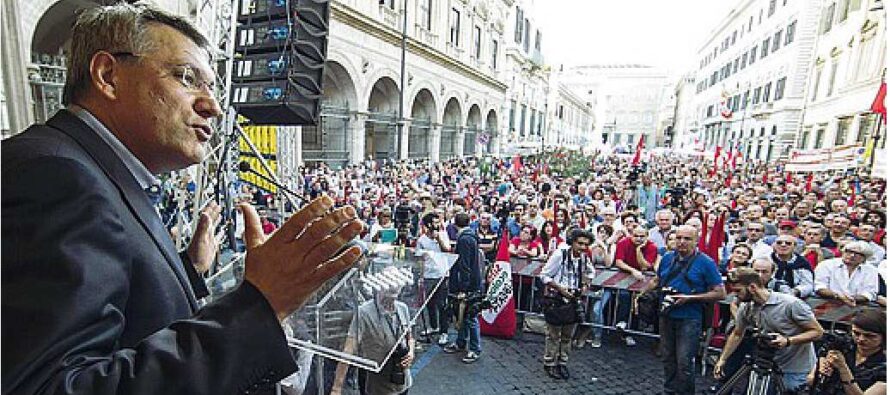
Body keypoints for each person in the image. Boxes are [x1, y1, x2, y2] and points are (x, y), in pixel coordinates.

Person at [1, 3, 363, 393]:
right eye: (187, 78)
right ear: (108, 75)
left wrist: (187, 269)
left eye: (213, 87)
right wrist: (260, 303)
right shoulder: (58, 177)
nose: (214, 106)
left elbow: (119, 313)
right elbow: (54, 386)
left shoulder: (92, 170)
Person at [714, 268, 824, 393]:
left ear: (752, 287)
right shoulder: (746, 307)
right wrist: (723, 359)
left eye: (738, 291)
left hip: (795, 368)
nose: (735, 295)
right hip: (766, 365)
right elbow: (737, 334)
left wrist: (788, 340)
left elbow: (818, 332)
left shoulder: (790, 304)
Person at [648, 225, 726, 395]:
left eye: (687, 239)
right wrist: (643, 295)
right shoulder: (668, 258)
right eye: (679, 238)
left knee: (684, 362)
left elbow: (720, 293)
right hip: (667, 314)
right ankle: (669, 391)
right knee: (668, 358)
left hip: (690, 318)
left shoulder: (706, 262)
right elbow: (658, 280)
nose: (682, 242)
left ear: (696, 241)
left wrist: (689, 298)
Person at [331, 286, 415, 395]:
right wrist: (336, 388)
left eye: (397, 283)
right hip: (376, 385)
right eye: (390, 283)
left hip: (401, 380)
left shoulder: (402, 308)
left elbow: (409, 336)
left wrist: (411, 352)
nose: (394, 287)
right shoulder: (364, 312)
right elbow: (348, 350)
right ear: (379, 286)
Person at [539, 228, 595, 380]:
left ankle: (562, 362)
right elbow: (544, 275)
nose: (583, 247)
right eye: (580, 243)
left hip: (573, 300)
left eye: (586, 244)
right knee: (553, 334)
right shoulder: (560, 254)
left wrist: (585, 286)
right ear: (572, 242)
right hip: (556, 299)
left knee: (567, 336)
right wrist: (560, 288)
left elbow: (591, 273)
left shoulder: (584, 258)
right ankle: (549, 362)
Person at [806, 308, 886, 395]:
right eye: (856, 333)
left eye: (870, 336)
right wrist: (820, 366)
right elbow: (824, 349)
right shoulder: (843, 344)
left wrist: (843, 368)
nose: (861, 339)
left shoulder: (884, 366)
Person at [443, 213, 483, 363]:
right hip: (469, 283)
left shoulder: (465, 239)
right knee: (462, 314)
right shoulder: (469, 236)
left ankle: (474, 348)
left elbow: (464, 265)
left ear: (454, 225)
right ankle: (461, 342)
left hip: (468, 285)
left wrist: (463, 287)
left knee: (470, 316)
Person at [612, 225, 660, 347]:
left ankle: (631, 332)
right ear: (631, 235)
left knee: (638, 305)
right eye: (636, 236)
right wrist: (633, 270)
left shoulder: (652, 247)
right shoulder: (623, 243)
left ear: (647, 236)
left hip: (644, 282)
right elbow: (619, 261)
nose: (639, 238)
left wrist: (639, 250)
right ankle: (622, 323)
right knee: (623, 296)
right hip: (625, 278)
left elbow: (645, 266)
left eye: (642, 236)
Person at [415, 212, 452, 346]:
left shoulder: (443, 235)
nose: (437, 225)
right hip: (428, 275)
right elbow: (420, 259)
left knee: (442, 304)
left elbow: (447, 250)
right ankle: (433, 326)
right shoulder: (421, 240)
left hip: (442, 274)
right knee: (430, 303)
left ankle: (444, 332)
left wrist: (439, 239)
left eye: (438, 222)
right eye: (434, 222)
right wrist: (420, 275)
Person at [815, 241, 880, 306]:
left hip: (857, 307)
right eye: (849, 251)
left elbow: (870, 293)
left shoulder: (871, 270)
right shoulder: (826, 265)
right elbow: (819, 286)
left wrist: (851, 298)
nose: (852, 255)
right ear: (843, 252)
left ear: (864, 258)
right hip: (826, 305)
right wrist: (838, 296)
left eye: (857, 253)